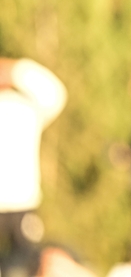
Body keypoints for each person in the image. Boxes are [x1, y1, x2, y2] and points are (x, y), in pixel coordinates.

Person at [0, 58, 67, 275]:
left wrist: (16, 69)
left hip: (22, 202)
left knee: (28, 262)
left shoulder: (24, 106)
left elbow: (55, 94)